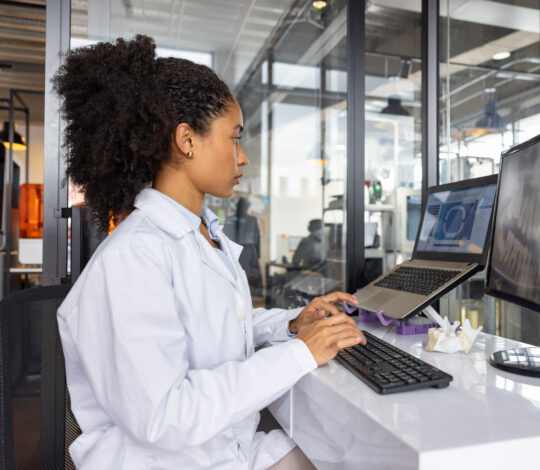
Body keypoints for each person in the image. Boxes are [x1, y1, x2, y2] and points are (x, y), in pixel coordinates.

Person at [53, 35, 365, 470]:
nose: (243, 158)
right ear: (187, 140)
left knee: (349, 455)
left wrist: (293, 324)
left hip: (224, 449)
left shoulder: (201, 235)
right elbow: (166, 417)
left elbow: (215, 326)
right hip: (163, 460)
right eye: (234, 138)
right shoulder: (132, 258)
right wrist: (300, 353)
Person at [223, 197, 262, 296]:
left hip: (233, 252)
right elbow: (257, 239)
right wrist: (257, 255)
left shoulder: (229, 219)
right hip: (248, 253)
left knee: (236, 277)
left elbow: (224, 238)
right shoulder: (253, 219)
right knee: (248, 279)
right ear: (247, 208)